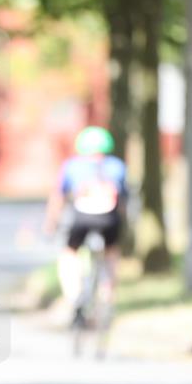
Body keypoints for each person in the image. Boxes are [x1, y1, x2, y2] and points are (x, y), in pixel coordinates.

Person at [42, 126, 127, 323]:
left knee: (69, 254)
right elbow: (123, 201)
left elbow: (58, 198)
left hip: (82, 219)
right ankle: (107, 297)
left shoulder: (72, 166)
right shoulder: (117, 166)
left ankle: (75, 295)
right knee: (111, 253)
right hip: (110, 220)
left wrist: (50, 223)